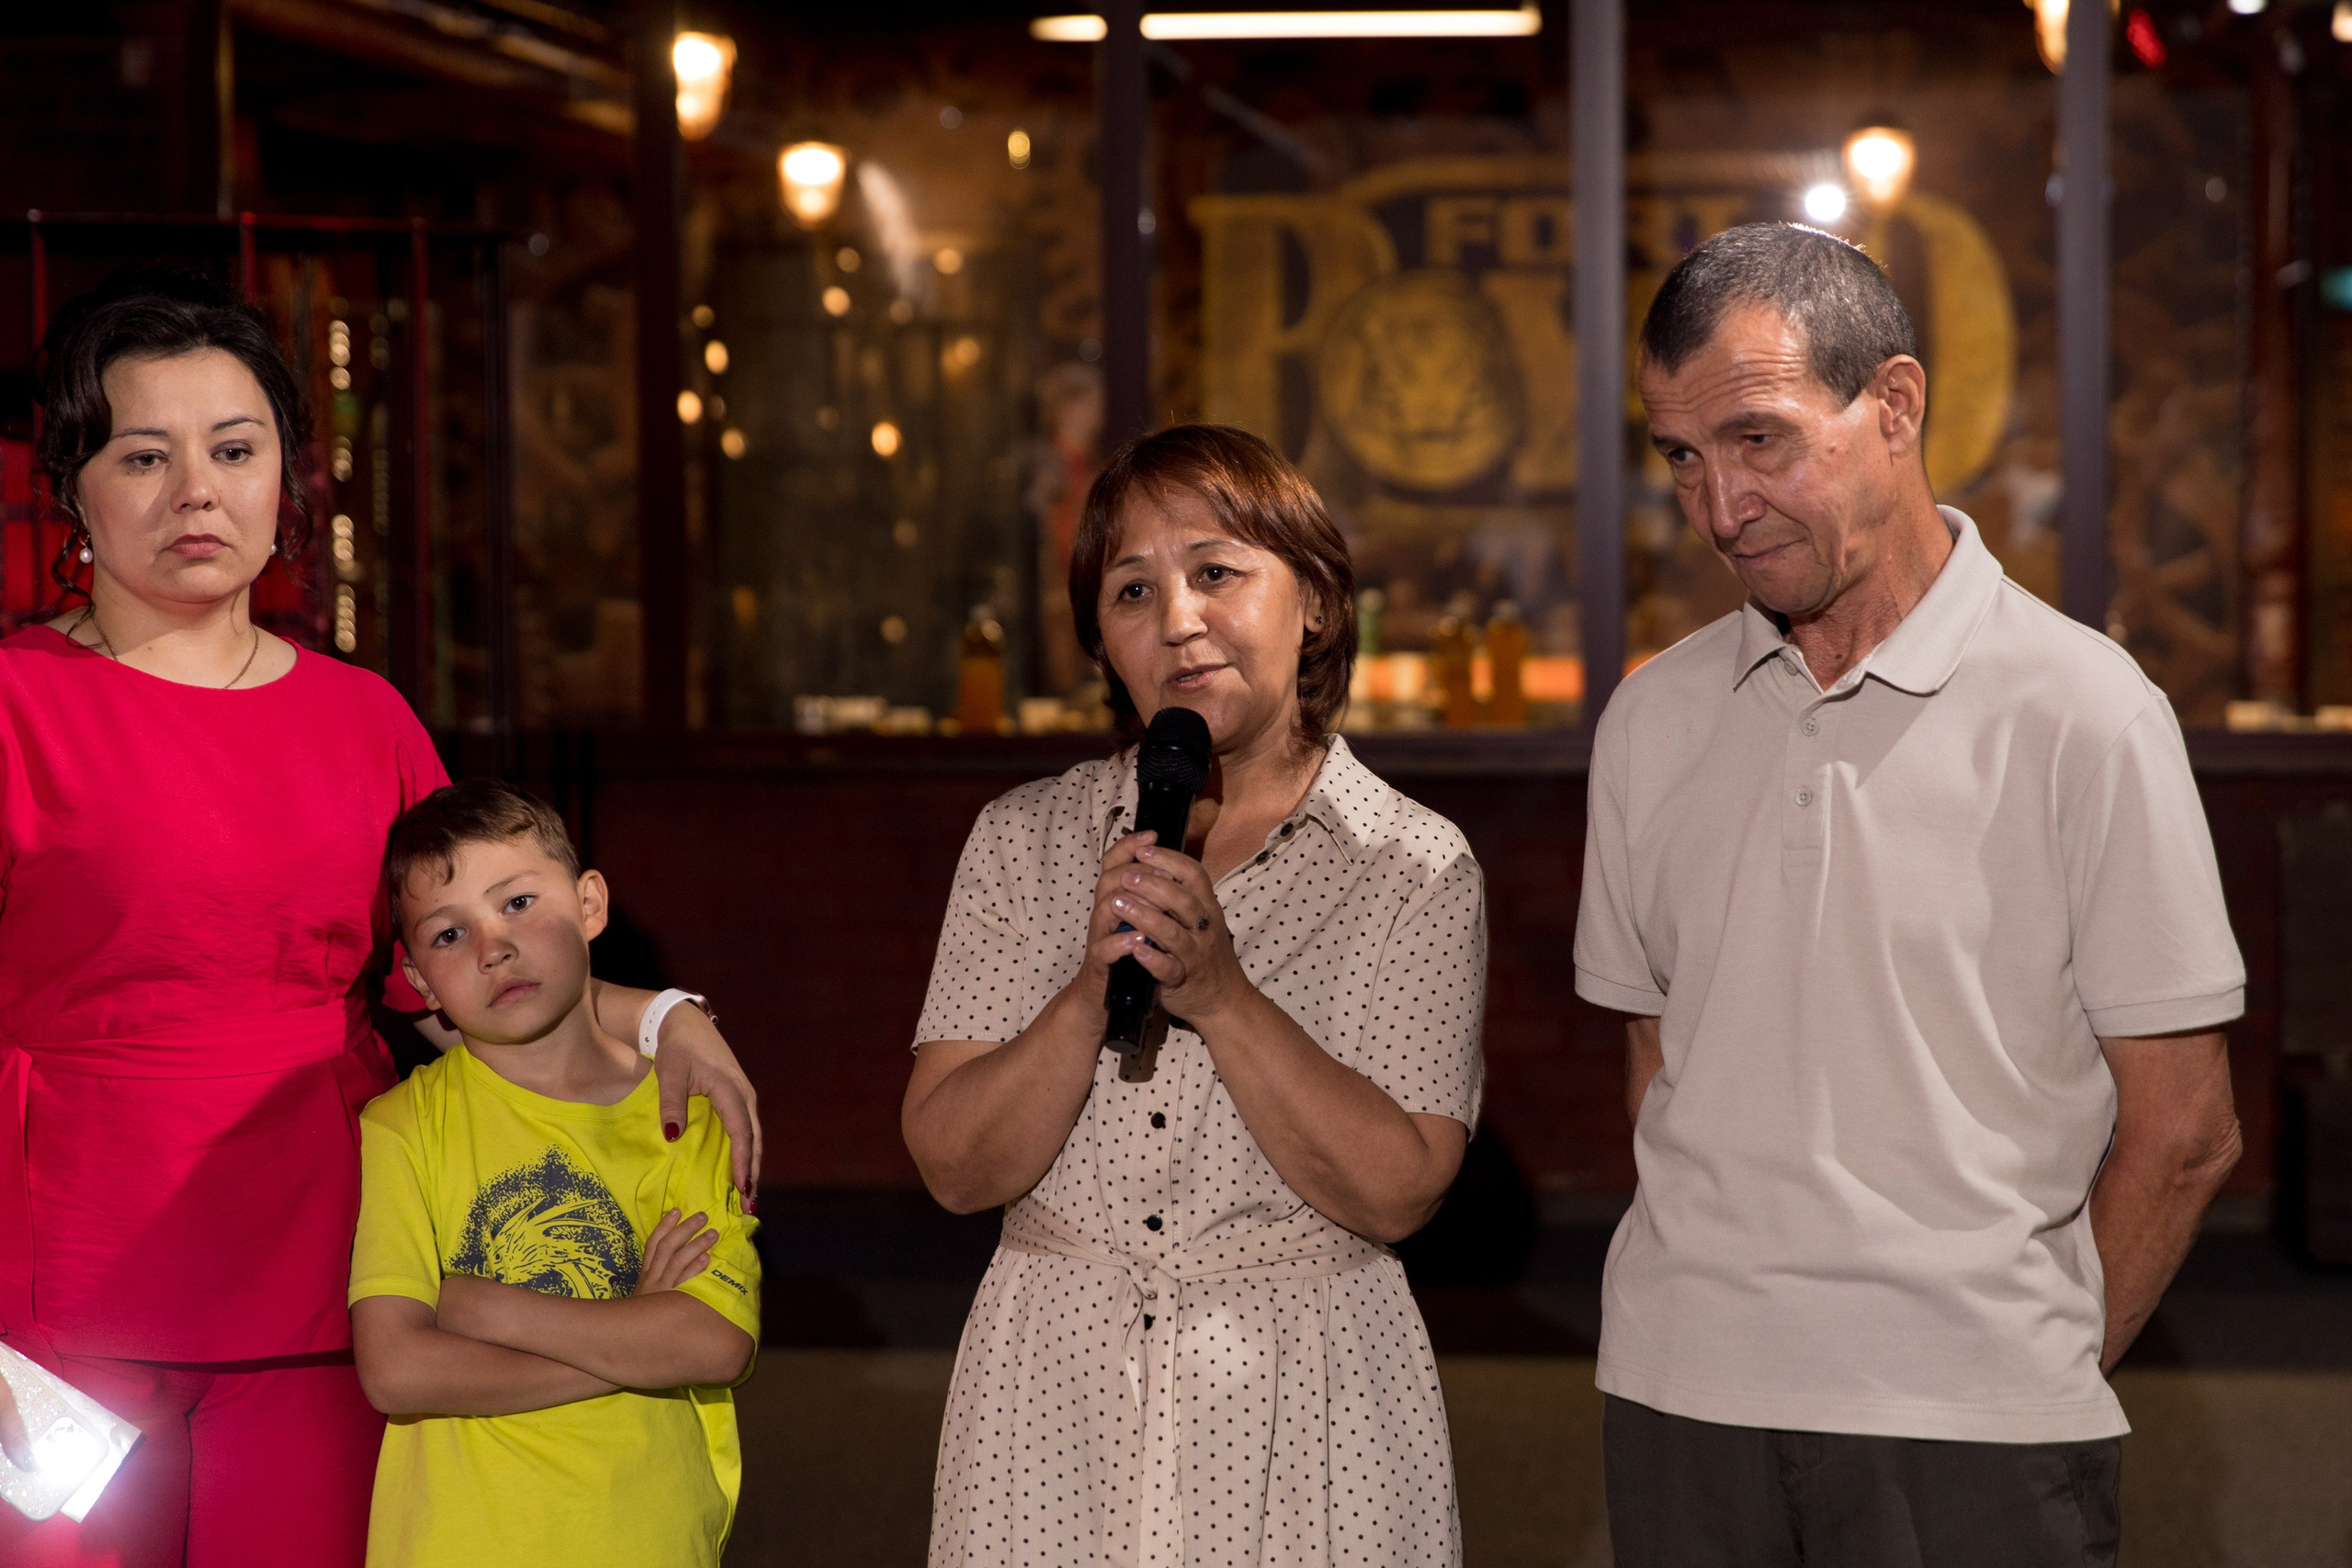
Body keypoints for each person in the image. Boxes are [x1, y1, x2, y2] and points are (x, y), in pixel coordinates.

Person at [0, 265, 762, 1567]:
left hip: (325, 1271)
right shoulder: (18, 700)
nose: (198, 489)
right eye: (145, 454)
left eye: (236, 449)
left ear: (287, 477)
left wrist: (669, 1015)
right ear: (72, 483)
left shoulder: (366, 719)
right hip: (57, 1287)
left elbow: (463, 975)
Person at [1574, 222, 2246, 1566]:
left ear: (1895, 402)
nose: (1719, 508)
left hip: (1976, 1427)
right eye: (1684, 459)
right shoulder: (1651, 718)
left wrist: (2016, 1360)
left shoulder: (2088, 711)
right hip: (1676, 1395)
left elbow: (2184, 1130)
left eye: (1760, 440)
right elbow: (1656, 1054)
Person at [904, 423, 1487, 1568]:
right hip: (1052, 1391)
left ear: (1312, 599)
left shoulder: (1413, 866)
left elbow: (1398, 1190)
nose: (1178, 619)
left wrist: (1221, 997)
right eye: (1132, 589)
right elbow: (955, 1165)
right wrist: (1085, 995)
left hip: (1312, 1397)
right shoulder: (1025, 843)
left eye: (1216, 571)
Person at [351, 778, 760, 1567]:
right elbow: (399, 1370)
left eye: (517, 903)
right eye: (447, 934)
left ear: (591, 903)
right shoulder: (401, 1127)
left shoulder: (686, 1111)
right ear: (422, 983)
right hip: (451, 1546)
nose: (492, 947)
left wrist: (482, 1308)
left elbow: (711, 1342)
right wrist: (629, 1332)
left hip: (646, 1539)